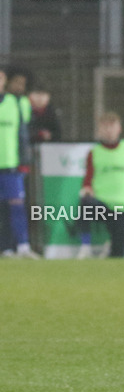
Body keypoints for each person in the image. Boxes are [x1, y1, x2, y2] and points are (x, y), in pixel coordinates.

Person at [77, 112, 124, 258]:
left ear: (119, 129)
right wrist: (86, 189)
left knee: (117, 255)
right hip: (103, 204)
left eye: (112, 127)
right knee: (85, 203)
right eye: (105, 127)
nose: (109, 131)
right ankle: (85, 246)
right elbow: (88, 179)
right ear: (99, 130)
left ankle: (110, 245)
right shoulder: (94, 152)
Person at [0, 67, 38, 258]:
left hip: (10, 165)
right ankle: (5, 249)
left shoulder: (16, 104)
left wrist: (24, 160)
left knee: (16, 205)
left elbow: (23, 134)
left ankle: (22, 246)